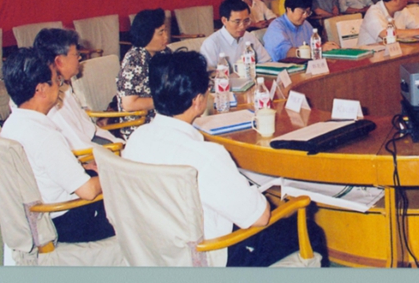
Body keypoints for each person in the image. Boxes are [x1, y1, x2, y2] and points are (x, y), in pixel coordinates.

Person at [122, 51, 327, 267]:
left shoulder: (136, 140)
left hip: (153, 250)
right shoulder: (206, 156)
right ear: (198, 100)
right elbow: (260, 217)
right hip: (208, 257)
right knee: (310, 230)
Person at [0, 48, 115, 243]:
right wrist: (113, 173)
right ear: (40, 89)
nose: (59, 86)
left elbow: (45, 168)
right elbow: (88, 192)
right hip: (68, 221)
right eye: (56, 81)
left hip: (44, 211)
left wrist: (83, 168)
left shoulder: (12, 124)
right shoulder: (45, 136)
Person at [34, 28, 122, 149]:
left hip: (95, 142)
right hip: (90, 152)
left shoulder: (64, 87)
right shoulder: (51, 99)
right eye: (76, 54)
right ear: (59, 61)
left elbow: (88, 128)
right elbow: (79, 145)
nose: (79, 58)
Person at [117, 8, 171, 139]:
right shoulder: (134, 60)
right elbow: (129, 104)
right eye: (161, 33)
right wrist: (167, 101)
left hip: (163, 118)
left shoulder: (164, 52)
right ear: (146, 34)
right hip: (140, 126)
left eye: (165, 31)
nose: (166, 37)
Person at [264, 0, 339, 61]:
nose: (305, 15)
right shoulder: (277, 27)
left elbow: (313, 44)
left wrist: (325, 47)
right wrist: (318, 49)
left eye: (308, 12)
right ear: (289, 9)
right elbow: (286, 53)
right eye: (302, 12)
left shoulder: (305, 24)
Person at [200, 0, 272, 67]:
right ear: (224, 21)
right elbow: (208, 73)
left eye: (246, 21)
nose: (242, 26)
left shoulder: (249, 37)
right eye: (237, 22)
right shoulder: (211, 44)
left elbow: (266, 62)